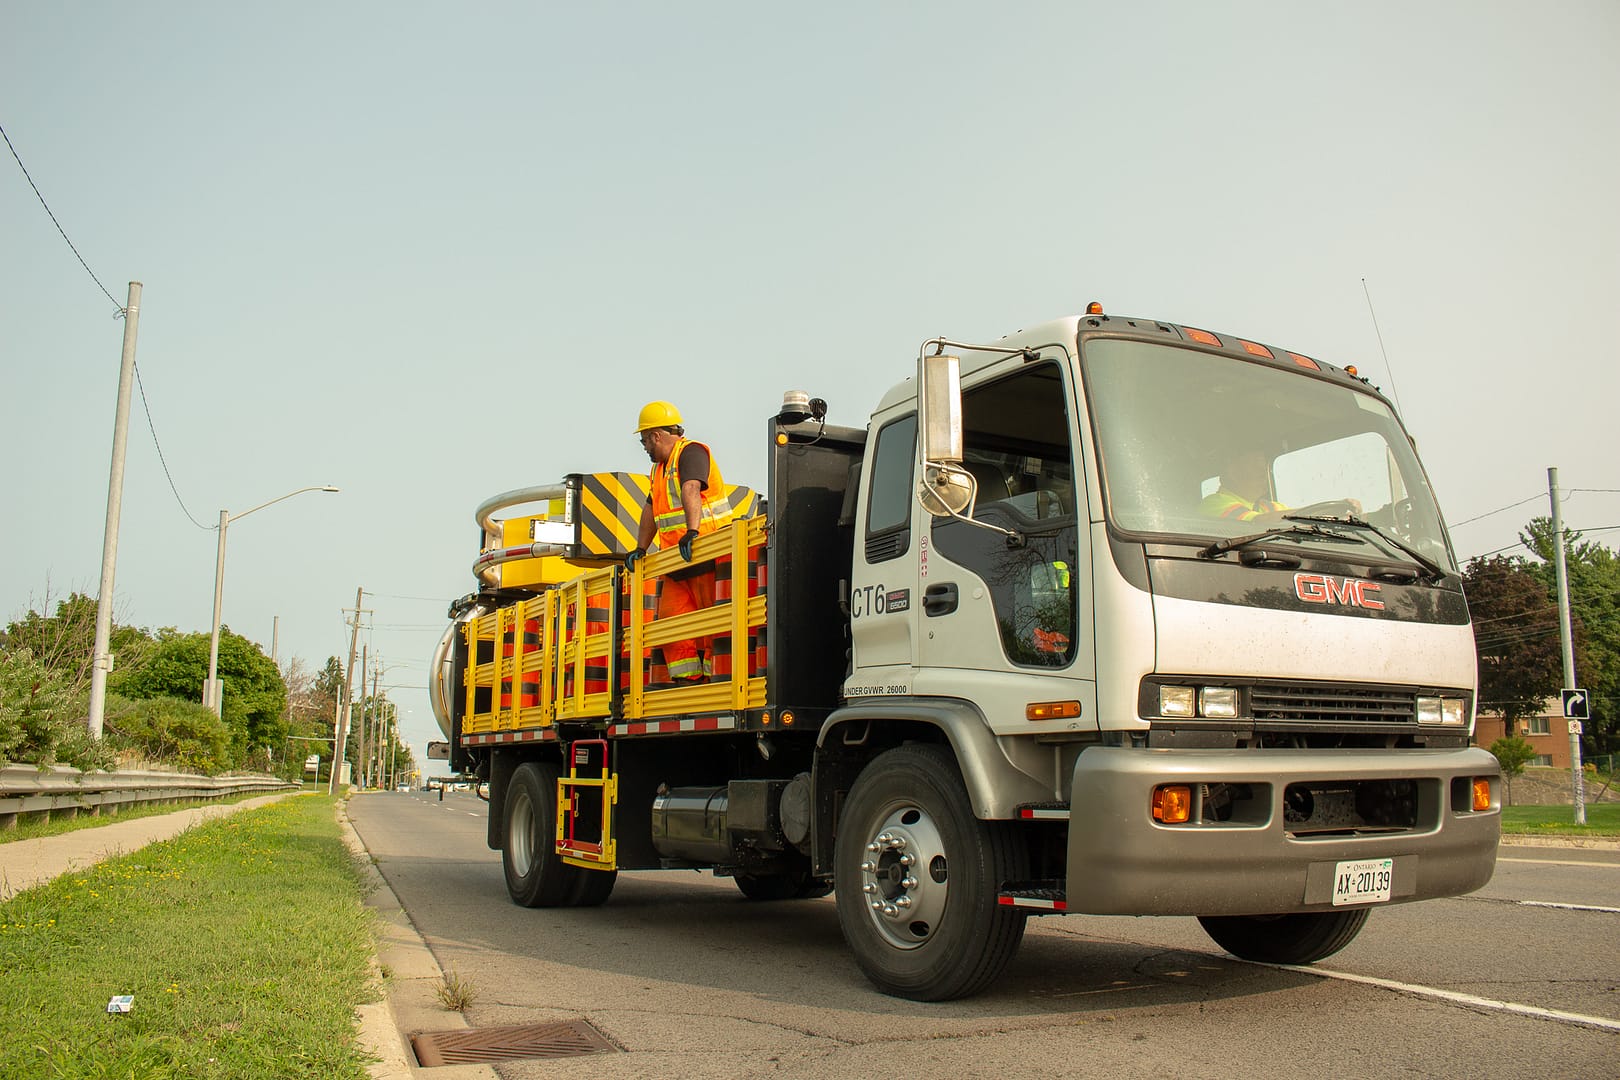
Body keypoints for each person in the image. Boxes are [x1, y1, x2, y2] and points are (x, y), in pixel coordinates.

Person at [624, 401, 736, 683]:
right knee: (670, 626)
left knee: (716, 626)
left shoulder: (692, 452)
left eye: (644, 441)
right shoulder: (659, 470)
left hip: (709, 555)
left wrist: (692, 531)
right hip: (678, 562)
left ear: (656, 436)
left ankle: (718, 682)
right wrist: (640, 547)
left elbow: (692, 488)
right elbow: (650, 508)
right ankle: (689, 682)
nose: (645, 447)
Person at [1201, 449, 1290, 523]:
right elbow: (1258, 523)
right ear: (1233, 472)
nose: (1264, 474)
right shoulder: (1214, 503)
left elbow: (1296, 517)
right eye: (1256, 467)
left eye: (1264, 468)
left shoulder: (1269, 507)